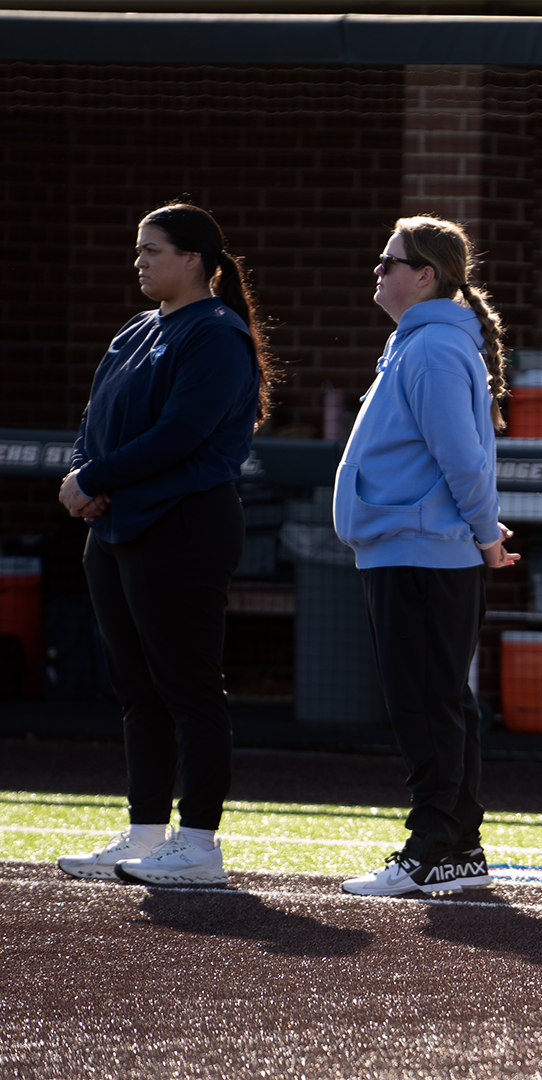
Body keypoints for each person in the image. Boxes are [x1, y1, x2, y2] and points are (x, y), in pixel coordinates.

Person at [54, 203, 275, 887]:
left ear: (194, 260)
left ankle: (199, 843)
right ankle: (147, 831)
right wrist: (87, 476)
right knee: (137, 687)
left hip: (182, 526)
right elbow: (94, 421)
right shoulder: (138, 329)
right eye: (139, 249)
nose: (140, 261)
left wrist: (94, 479)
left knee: (188, 686)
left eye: (153, 250)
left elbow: (179, 434)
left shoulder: (216, 333)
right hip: (115, 526)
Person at [334, 216, 520, 897]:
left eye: (389, 262)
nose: (378, 271)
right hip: (418, 548)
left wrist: (486, 534)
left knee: (425, 702)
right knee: (439, 698)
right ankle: (456, 847)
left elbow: (461, 458)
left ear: (425, 276)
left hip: (421, 551)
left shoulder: (432, 347)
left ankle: (435, 846)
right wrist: (480, 530)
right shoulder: (423, 342)